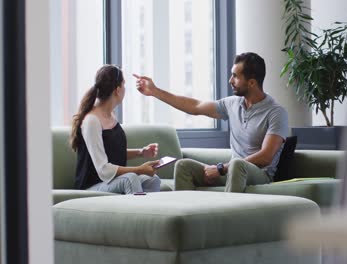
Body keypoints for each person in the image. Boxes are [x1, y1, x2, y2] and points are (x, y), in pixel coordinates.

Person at [133, 52, 288, 192]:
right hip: (231, 170)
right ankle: (188, 220)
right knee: (184, 166)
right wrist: (155, 91)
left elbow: (266, 157)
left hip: (259, 175)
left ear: (252, 82)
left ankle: (226, 222)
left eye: (235, 76)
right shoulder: (232, 104)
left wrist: (221, 168)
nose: (230, 80)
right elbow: (195, 107)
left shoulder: (275, 112)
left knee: (237, 164)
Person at [70, 64, 162, 194]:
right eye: (124, 84)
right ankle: (139, 214)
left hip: (110, 182)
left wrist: (141, 152)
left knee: (153, 180)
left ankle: (151, 213)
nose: (125, 89)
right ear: (117, 90)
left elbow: (112, 152)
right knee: (130, 179)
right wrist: (139, 169)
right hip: (92, 186)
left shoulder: (111, 115)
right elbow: (104, 169)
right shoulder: (92, 121)